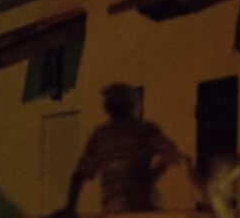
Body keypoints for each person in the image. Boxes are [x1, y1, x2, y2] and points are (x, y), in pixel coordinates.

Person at [54, 83, 180, 217]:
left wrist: (70, 207)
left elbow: (80, 174)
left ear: (108, 107)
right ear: (132, 105)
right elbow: (171, 154)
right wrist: (151, 176)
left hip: (113, 209)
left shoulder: (101, 135)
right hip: (142, 207)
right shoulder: (145, 130)